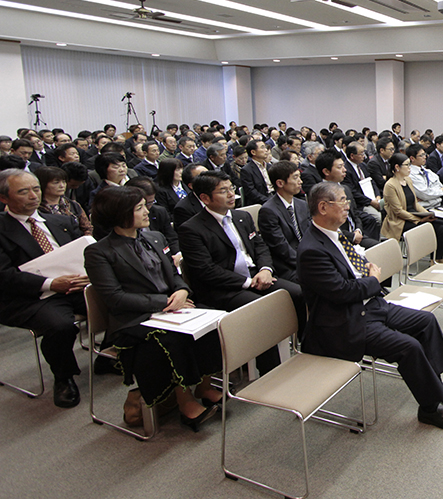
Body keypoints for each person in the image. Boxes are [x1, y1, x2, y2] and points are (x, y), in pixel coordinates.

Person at [297, 182, 443, 429]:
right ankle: (431, 408)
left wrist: (368, 274)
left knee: (426, 321)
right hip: (345, 322)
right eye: (342, 201)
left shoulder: (337, 236)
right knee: (408, 346)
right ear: (323, 207)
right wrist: (372, 279)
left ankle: (437, 388)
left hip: (370, 305)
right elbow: (342, 292)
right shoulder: (311, 250)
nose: (348, 206)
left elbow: (358, 266)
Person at [84, 186, 222, 431]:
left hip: (169, 309)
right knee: (175, 339)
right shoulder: (99, 252)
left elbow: (173, 276)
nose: (147, 211)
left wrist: (181, 291)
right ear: (120, 214)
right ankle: (185, 401)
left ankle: (204, 385)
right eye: (139, 208)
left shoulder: (154, 238)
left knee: (213, 321)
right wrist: (165, 303)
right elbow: (115, 298)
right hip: (133, 320)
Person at [176, 172, 304, 374]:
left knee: (297, 293)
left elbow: (260, 247)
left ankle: (301, 347)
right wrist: (247, 282)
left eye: (231, 189)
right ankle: (270, 370)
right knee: (261, 308)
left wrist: (265, 270)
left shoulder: (241, 217)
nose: (231, 195)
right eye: (223, 191)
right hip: (223, 288)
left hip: (256, 275)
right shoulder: (191, 229)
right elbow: (206, 270)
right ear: (205, 198)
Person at [0, 169, 88, 408]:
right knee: (60, 326)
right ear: (4, 198)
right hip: (30, 296)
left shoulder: (61, 221)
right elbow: (4, 276)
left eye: (36, 189)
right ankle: (63, 378)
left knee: (117, 300)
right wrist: (50, 284)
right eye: (23, 191)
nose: (33, 196)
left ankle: (109, 354)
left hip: (74, 285)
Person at [381, 153, 443, 266]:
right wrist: (419, 219)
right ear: (397, 167)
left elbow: (415, 203)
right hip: (400, 221)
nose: (410, 168)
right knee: (439, 228)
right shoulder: (390, 185)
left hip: (415, 215)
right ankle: (434, 261)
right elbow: (398, 211)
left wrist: (427, 214)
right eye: (407, 165)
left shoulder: (408, 180)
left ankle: (442, 259)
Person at [257, 161, 310, 282]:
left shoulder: (301, 204)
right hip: (288, 265)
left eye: (299, 177)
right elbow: (281, 248)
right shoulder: (268, 211)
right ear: (280, 183)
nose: (300, 181)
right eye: (295, 177)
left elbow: (311, 233)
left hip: (308, 256)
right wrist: (307, 262)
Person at [36, 165, 93, 235]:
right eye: (56, 182)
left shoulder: (73, 205)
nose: (62, 186)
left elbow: (87, 228)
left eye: (64, 182)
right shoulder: (36, 208)